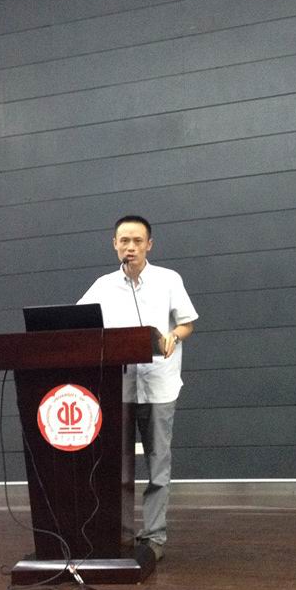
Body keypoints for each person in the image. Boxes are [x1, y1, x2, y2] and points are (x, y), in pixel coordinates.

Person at [77, 215, 198, 561]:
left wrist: (173, 335)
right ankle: (113, 533)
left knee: (158, 464)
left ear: (149, 245)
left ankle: (154, 537)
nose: (130, 247)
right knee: (113, 465)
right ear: (114, 244)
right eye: (124, 241)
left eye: (137, 241)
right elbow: (77, 323)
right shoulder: (102, 286)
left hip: (159, 384)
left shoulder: (168, 279)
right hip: (118, 388)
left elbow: (187, 322)